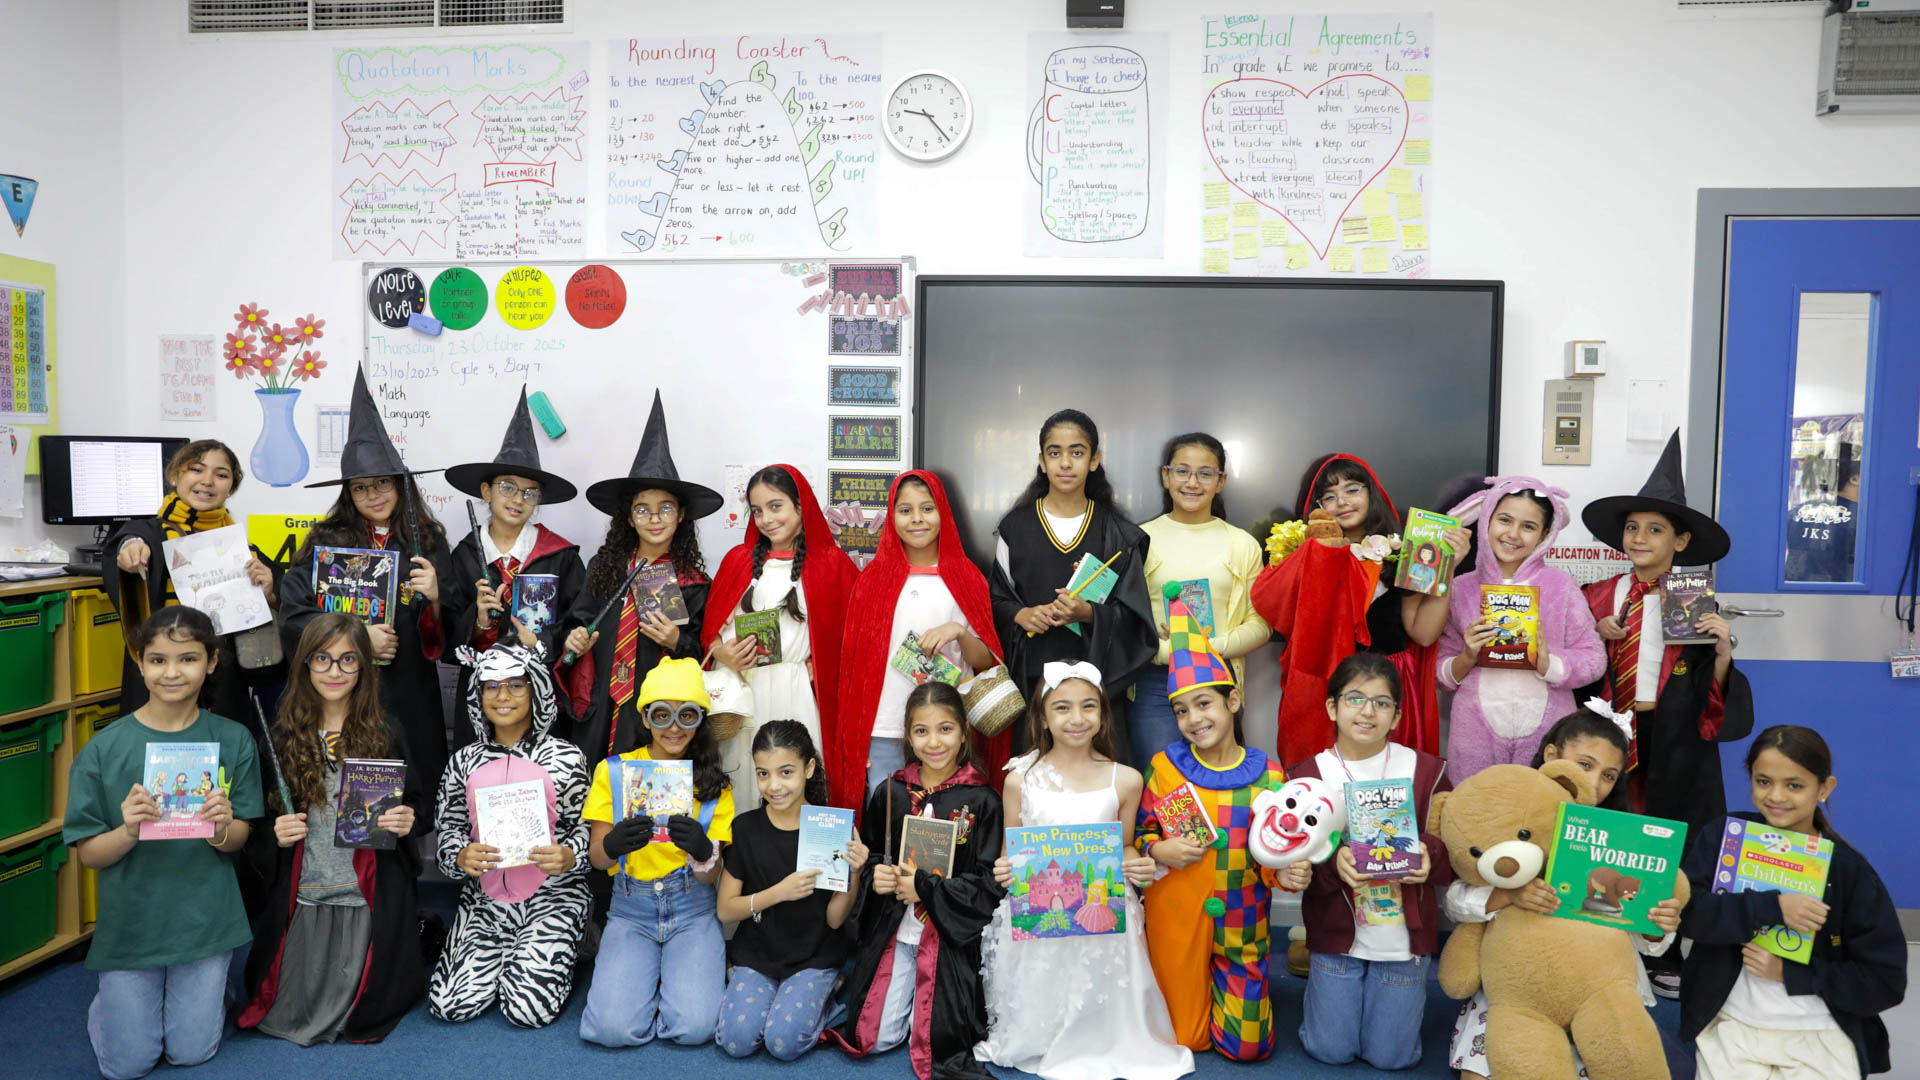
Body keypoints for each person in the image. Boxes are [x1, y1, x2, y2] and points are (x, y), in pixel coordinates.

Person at [62, 606, 262, 1080]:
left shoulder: (233, 740)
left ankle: (211, 990)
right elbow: (89, 854)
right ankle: (112, 1005)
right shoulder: (103, 749)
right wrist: (128, 831)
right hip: (133, 923)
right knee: (126, 1066)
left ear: (211, 662)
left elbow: (240, 837)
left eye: (188, 658)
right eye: (157, 660)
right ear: (140, 662)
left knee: (191, 1052)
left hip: (205, 920)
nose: (172, 672)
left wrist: (219, 827)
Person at [1444, 703, 1689, 1079]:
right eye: (1584, 765)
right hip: (1517, 986)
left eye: (1609, 775)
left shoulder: (1624, 839)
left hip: (1597, 986)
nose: (1594, 783)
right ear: (1552, 757)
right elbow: (1456, 901)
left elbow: (1644, 940)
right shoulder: (1516, 815)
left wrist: (1659, 924)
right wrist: (1509, 896)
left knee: (1621, 1055)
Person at [974, 661, 1194, 1080]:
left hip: (1103, 915)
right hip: (1039, 914)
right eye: (1062, 707)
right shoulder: (1020, 779)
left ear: (1103, 714)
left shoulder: (1125, 779)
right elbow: (1009, 851)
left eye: (1088, 706)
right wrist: (1006, 868)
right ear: (1043, 717)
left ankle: (1105, 1034)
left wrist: (1137, 864)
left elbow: (1124, 846)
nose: (1076, 718)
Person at [279, 369, 467, 799]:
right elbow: (294, 616)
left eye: (382, 482)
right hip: (337, 695)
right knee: (344, 796)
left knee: (406, 799)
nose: (373, 494)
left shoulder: (428, 541)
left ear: (400, 483)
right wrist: (359, 638)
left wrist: (436, 598)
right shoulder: (325, 542)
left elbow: (455, 633)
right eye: (360, 487)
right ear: (348, 492)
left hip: (408, 693)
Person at [238, 614, 424, 1044]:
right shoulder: (282, 736)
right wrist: (275, 832)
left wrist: (406, 819)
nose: (334, 671)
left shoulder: (386, 731)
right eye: (322, 659)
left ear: (364, 666)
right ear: (305, 664)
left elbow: (415, 801)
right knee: (284, 1006)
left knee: (368, 1002)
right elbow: (258, 820)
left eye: (347, 659)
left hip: (365, 894)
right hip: (305, 892)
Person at [1680, 725, 1906, 1078]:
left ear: (1824, 788)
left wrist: (1791, 973)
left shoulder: (1847, 870)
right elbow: (1689, 913)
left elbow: (1885, 981)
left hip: (1819, 1031)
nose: (1776, 796)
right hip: (1730, 1024)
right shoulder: (1726, 837)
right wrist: (1774, 907)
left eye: (1795, 785)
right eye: (1763, 781)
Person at [826, 682, 1005, 1080]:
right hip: (895, 931)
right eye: (921, 731)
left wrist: (925, 888)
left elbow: (989, 887)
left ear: (964, 733)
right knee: (877, 1038)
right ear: (908, 735)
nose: (934, 742)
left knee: (936, 1040)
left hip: (947, 940)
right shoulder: (892, 791)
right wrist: (877, 874)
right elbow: (874, 854)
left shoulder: (983, 800)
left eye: (946, 729)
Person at [1282, 651, 1452, 1070]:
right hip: (1338, 937)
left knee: (1392, 1058)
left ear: (1397, 716)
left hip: (1403, 942)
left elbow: (1455, 848)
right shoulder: (1306, 776)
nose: (1367, 711)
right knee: (1331, 1051)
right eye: (1355, 698)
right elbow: (1294, 858)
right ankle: (1321, 992)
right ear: (1332, 707)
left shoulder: (1427, 771)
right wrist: (1331, 863)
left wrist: (1428, 854)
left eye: (1381, 702)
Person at [1136, 601, 1289, 1061]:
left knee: (1248, 1048)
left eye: (1204, 703)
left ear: (1233, 701)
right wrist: (1158, 849)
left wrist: (1287, 873)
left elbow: (1277, 852)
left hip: (1243, 923)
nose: (1194, 719)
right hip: (1179, 916)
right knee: (1184, 1038)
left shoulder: (1271, 777)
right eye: (1181, 710)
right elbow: (1142, 833)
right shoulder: (1165, 767)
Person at [427, 640, 592, 1028]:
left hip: (553, 896)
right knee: (448, 1006)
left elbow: (588, 826)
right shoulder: (463, 762)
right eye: (491, 686)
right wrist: (459, 855)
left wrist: (571, 855)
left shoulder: (567, 758)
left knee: (527, 1012)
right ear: (478, 693)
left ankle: (576, 936)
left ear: (536, 691)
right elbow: (449, 826)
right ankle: (504, 956)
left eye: (516, 685)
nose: (502, 696)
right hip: (485, 902)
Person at [579, 657, 734, 1047]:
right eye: (662, 714)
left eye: (687, 715)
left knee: (695, 1029)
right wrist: (612, 845)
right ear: (645, 718)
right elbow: (597, 858)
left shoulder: (715, 785)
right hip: (631, 907)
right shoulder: (613, 771)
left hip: (692, 908)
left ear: (700, 720)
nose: (674, 727)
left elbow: (710, 876)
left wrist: (703, 850)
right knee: (612, 1030)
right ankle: (649, 984)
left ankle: (673, 983)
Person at [1251, 452, 1442, 766]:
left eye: (1352, 489)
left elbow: (1422, 634)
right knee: (1330, 773)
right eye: (1329, 496)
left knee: (1389, 775)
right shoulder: (1306, 557)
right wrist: (1315, 558)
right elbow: (1271, 602)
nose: (1342, 501)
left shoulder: (1401, 554)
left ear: (1371, 494)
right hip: (1332, 682)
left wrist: (1447, 568)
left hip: (1390, 680)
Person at [987, 409, 1156, 763]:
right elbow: (994, 600)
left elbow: (1137, 622)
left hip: (1097, 691)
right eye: (1055, 452)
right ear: (1042, 461)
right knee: (1035, 780)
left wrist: (1089, 614)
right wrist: (1021, 615)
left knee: (1097, 783)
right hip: (1033, 688)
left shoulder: (1118, 535)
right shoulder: (1015, 528)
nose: (1065, 462)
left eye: (1077, 452)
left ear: (1094, 460)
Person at [561, 390, 718, 762]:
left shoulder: (693, 583)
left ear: (681, 515)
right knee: (596, 779)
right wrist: (575, 638)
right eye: (642, 510)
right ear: (629, 518)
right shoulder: (605, 568)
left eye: (666, 508)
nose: (654, 519)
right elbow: (577, 620)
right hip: (599, 700)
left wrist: (677, 639)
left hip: (658, 713)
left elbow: (706, 653)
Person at [838, 470, 1004, 810]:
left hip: (945, 729)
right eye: (905, 510)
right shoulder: (872, 580)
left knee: (947, 818)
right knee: (887, 817)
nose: (917, 519)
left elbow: (986, 661)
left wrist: (958, 631)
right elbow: (855, 670)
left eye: (927, 509)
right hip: (885, 726)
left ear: (944, 513)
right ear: (892, 517)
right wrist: (857, 740)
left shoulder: (967, 577)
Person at [703, 464, 858, 811]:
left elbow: (853, 639)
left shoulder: (832, 564)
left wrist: (820, 665)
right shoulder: (737, 561)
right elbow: (710, 635)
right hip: (742, 694)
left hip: (796, 691)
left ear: (801, 506)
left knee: (795, 781)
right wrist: (722, 653)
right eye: (757, 511)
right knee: (743, 780)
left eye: (776, 506)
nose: (766, 519)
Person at [715, 721, 869, 1061]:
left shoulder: (830, 827)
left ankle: (829, 995)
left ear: (808, 768)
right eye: (763, 773)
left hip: (814, 956)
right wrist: (779, 892)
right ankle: (780, 995)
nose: (774, 785)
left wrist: (855, 873)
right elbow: (725, 909)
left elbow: (834, 920)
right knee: (736, 1041)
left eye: (786, 772)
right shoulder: (746, 828)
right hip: (758, 953)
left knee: (783, 1043)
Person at [1435, 477, 1607, 781]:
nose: (1513, 534)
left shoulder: (1560, 586)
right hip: (1475, 731)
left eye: (1528, 526)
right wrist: (1467, 656)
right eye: (1504, 520)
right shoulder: (1461, 588)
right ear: (1486, 520)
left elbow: (1594, 658)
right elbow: (1439, 671)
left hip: (1548, 729)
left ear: (1544, 535)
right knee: (1473, 803)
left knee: (1541, 804)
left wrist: (1549, 663)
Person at [446, 386, 586, 746]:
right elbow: (445, 639)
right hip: (482, 699)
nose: (518, 499)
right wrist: (478, 622)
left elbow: (578, 625)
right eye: (507, 487)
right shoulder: (463, 557)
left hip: (540, 695)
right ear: (486, 491)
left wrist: (541, 641)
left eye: (530, 492)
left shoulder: (560, 557)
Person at [105, 438, 278, 723]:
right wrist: (129, 552)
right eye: (196, 470)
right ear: (174, 476)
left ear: (231, 488)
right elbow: (127, 543)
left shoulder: (238, 548)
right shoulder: (149, 534)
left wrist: (268, 594)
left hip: (223, 681)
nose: (207, 481)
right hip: (162, 672)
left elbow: (274, 604)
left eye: (221, 475)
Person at [1135, 432, 1270, 769]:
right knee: (1162, 782)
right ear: (1166, 476)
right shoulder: (1139, 539)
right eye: (1182, 471)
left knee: (1218, 778)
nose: (1192, 482)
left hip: (1220, 680)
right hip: (1156, 682)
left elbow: (1261, 624)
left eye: (1205, 473)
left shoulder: (1242, 544)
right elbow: (1122, 621)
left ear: (1220, 481)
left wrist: (1210, 647)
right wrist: (1165, 651)